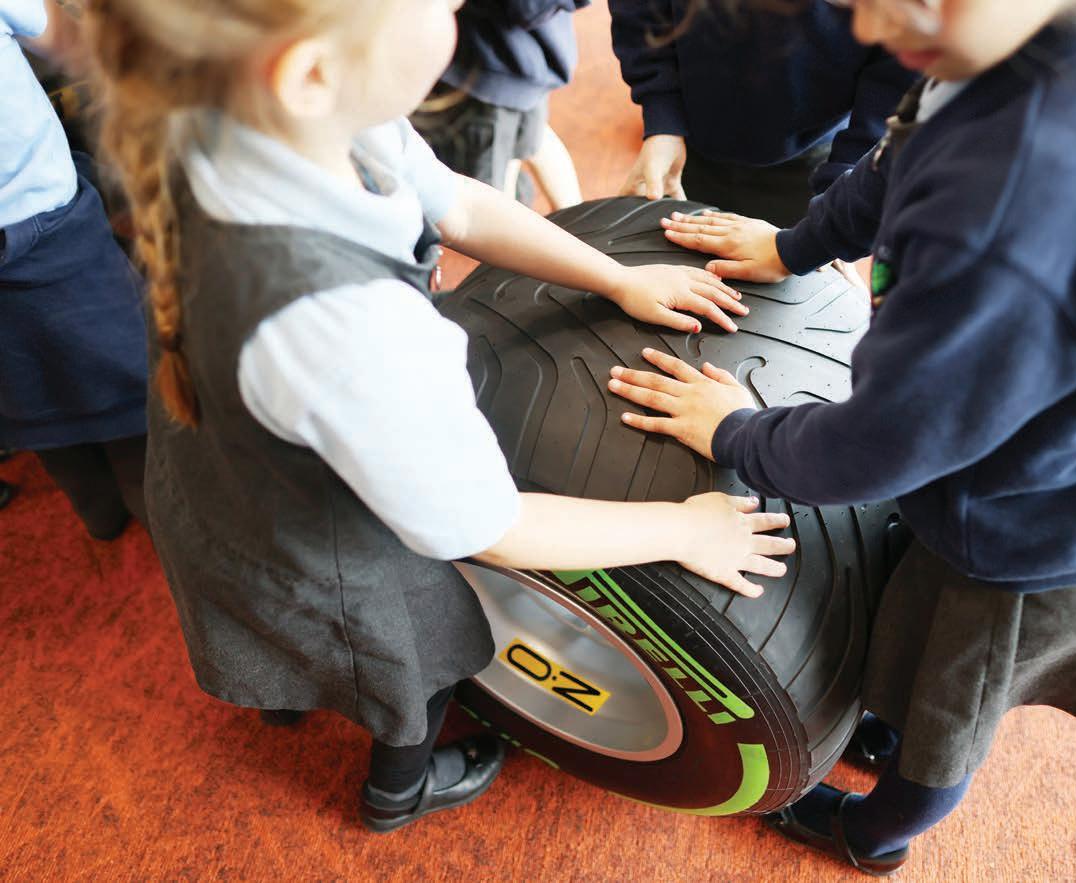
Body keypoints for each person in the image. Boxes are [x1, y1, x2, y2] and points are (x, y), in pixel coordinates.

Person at [83, 0, 793, 835]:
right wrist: (685, 528)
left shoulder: (250, 119)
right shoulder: (351, 328)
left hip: (222, 476)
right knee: (405, 663)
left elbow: (457, 204)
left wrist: (614, 276)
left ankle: (285, 696)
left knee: (274, 631)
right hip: (325, 553)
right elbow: (487, 527)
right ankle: (399, 788)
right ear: (310, 71)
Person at [606, 0, 1076, 872]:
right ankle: (885, 720)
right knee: (911, 620)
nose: (869, 29)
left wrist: (735, 431)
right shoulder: (1036, 37)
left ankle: (876, 833)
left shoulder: (1010, 216)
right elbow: (907, 140)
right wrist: (796, 245)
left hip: (1036, 533)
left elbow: (879, 445)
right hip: (1021, 443)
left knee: (947, 717)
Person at [0, 0, 147, 541]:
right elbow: (72, 43)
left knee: (37, 413)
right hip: (52, 233)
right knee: (130, 403)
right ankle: (161, 517)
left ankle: (101, 517)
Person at [608, 0, 914, 227]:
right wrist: (663, 117)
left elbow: (896, 79)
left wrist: (840, 205)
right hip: (688, 144)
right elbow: (639, 10)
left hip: (811, 161)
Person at [412, 0, 586, 210]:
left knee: (486, 200)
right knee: (531, 140)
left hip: (488, 73)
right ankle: (578, 221)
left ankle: (554, 223)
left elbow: (528, 8)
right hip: (515, 64)